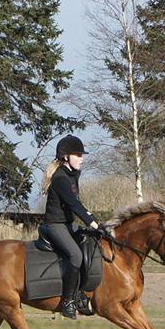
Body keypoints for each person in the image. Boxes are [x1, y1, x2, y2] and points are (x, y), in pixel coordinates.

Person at [41, 134, 102, 319]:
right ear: (66, 157)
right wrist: (91, 223)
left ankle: (81, 292)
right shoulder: (60, 179)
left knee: (90, 244)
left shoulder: (72, 175)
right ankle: (68, 302)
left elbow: (78, 202)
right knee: (75, 255)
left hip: (67, 224)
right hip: (55, 225)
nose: (82, 159)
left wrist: (94, 220)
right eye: (78, 155)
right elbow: (74, 206)